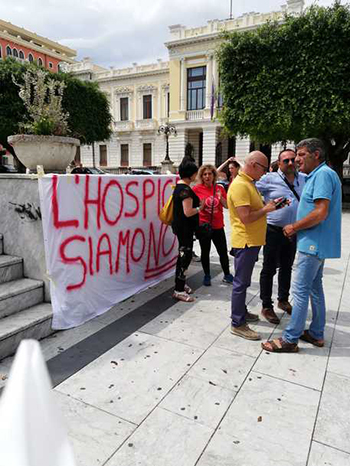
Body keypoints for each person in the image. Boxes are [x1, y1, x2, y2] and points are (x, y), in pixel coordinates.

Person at [262, 138, 341, 353]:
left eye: (301, 154)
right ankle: (316, 333)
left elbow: (320, 212)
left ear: (316, 155)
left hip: (313, 243)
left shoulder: (323, 175)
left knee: (300, 289)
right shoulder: (321, 174)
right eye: (296, 155)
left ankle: (290, 338)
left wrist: (294, 227)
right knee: (315, 287)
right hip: (317, 242)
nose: (297, 159)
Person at [227, 151, 286, 340]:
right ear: (252, 164)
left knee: (243, 282)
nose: (267, 172)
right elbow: (245, 218)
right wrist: (267, 209)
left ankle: (241, 312)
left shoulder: (249, 183)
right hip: (246, 241)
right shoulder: (240, 186)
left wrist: (269, 206)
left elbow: (254, 210)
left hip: (252, 240)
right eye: (264, 167)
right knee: (241, 283)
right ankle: (237, 323)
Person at [256, 149, 306, 324]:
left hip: (293, 231)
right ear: (279, 162)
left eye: (293, 159)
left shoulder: (303, 179)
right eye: (286, 161)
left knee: (287, 266)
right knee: (269, 268)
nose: (291, 163)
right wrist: (262, 207)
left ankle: (283, 299)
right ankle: (266, 305)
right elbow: (251, 190)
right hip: (273, 230)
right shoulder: (269, 178)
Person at [193, 164, 233, 286]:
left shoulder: (219, 188)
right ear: (201, 176)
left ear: (214, 175)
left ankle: (227, 274)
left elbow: (227, 206)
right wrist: (202, 206)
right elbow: (193, 207)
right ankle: (207, 275)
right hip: (204, 225)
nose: (207, 176)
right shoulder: (196, 189)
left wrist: (221, 199)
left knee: (222, 252)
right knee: (205, 252)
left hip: (218, 225)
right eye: (204, 174)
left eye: (210, 174)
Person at [172, 160, 204, 302]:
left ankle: (181, 283)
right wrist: (200, 208)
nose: (197, 176)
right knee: (185, 257)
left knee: (183, 256)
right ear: (191, 174)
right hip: (185, 229)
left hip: (181, 228)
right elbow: (188, 212)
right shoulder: (185, 190)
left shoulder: (179, 187)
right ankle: (178, 290)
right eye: (196, 173)